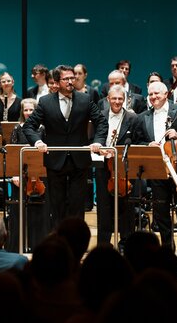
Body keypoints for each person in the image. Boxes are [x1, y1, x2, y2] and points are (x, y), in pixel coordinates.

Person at [23, 64, 108, 229]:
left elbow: (101, 122)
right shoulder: (45, 102)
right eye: (66, 79)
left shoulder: (85, 98)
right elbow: (28, 126)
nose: (70, 81)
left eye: (72, 78)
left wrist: (98, 141)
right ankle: (59, 245)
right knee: (57, 207)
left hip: (79, 160)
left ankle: (76, 244)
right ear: (56, 81)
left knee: (77, 207)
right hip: (55, 160)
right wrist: (38, 142)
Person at [133, 81, 177, 249]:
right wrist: (147, 145)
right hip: (157, 170)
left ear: (166, 94)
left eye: (157, 93)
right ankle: (167, 248)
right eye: (150, 94)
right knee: (161, 212)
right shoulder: (142, 116)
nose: (153, 97)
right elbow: (138, 140)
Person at [95, 84, 138, 248]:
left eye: (120, 99)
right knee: (104, 207)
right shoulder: (100, 116)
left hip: (124, 168)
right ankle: (104, 245)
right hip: (103, 167)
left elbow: (137, 140)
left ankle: (126, 244)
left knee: (126, 208)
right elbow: (94, 138)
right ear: (108, 99)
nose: (117, 102)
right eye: (114, 98)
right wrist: (101, 150)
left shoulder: (133, 118)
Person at [7, 98, 51, 253]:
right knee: (18, 212)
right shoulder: (17, 129)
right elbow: (12, 153)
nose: (28, 113)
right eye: (25, 110)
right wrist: (14, 176)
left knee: (39, 211)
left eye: (31, 110)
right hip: (20, 176)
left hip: (39, 176)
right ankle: (17, 247)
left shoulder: (43, 129)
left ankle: (38, 246)